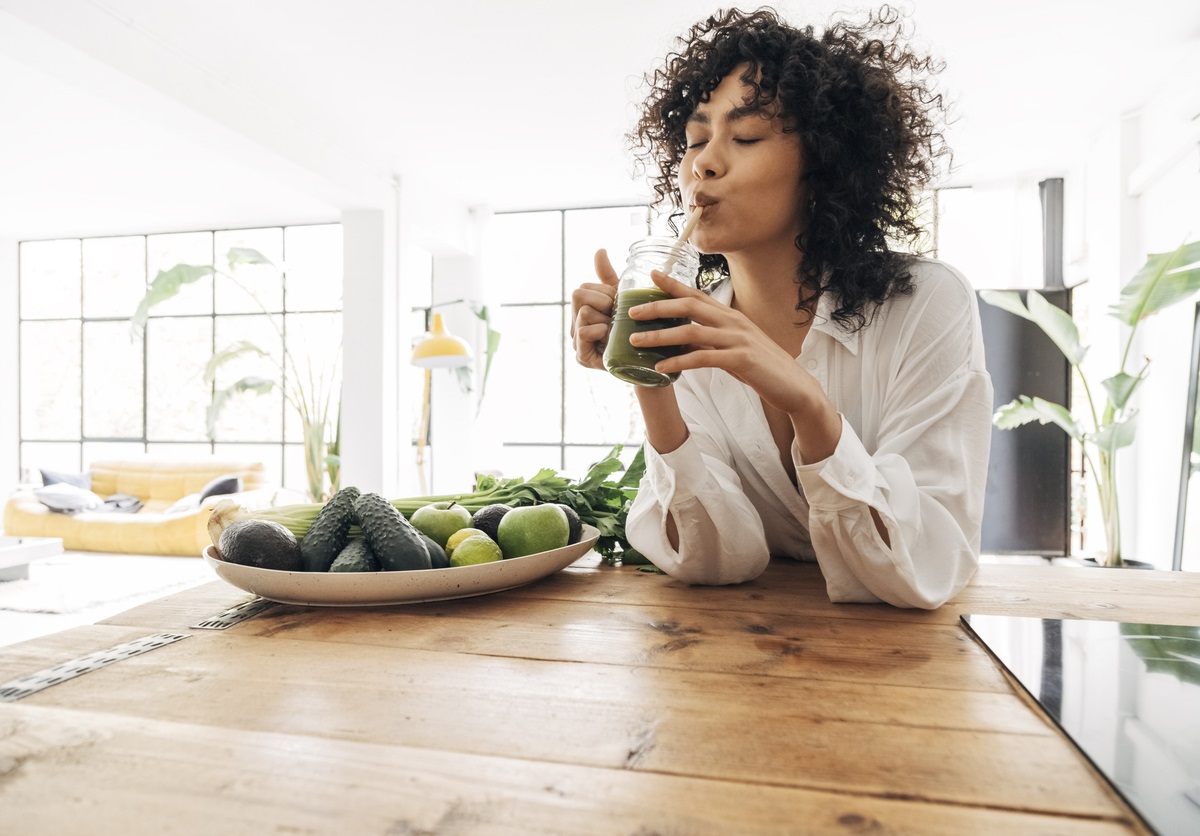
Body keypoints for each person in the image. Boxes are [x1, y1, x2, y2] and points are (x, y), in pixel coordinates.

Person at [570, 6, 993, 608]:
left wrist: (807, 403)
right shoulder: (688, 324)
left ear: (822, 162)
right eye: (695, 139)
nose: (704, 162)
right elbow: (712, 562)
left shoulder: (925, 304)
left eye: (744, 136)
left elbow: (925, 567)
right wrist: (649, 373)